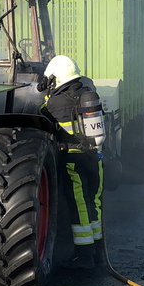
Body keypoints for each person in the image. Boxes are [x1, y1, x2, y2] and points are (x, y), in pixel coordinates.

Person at [40, 54, 105, 269]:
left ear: (56, 78)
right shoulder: (89, 94)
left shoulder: (54, 104)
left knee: (80, 206)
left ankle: (84, 256)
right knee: (94, 202)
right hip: (95, 157)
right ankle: (99, 251)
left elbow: (43, 121)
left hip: (73, 162)